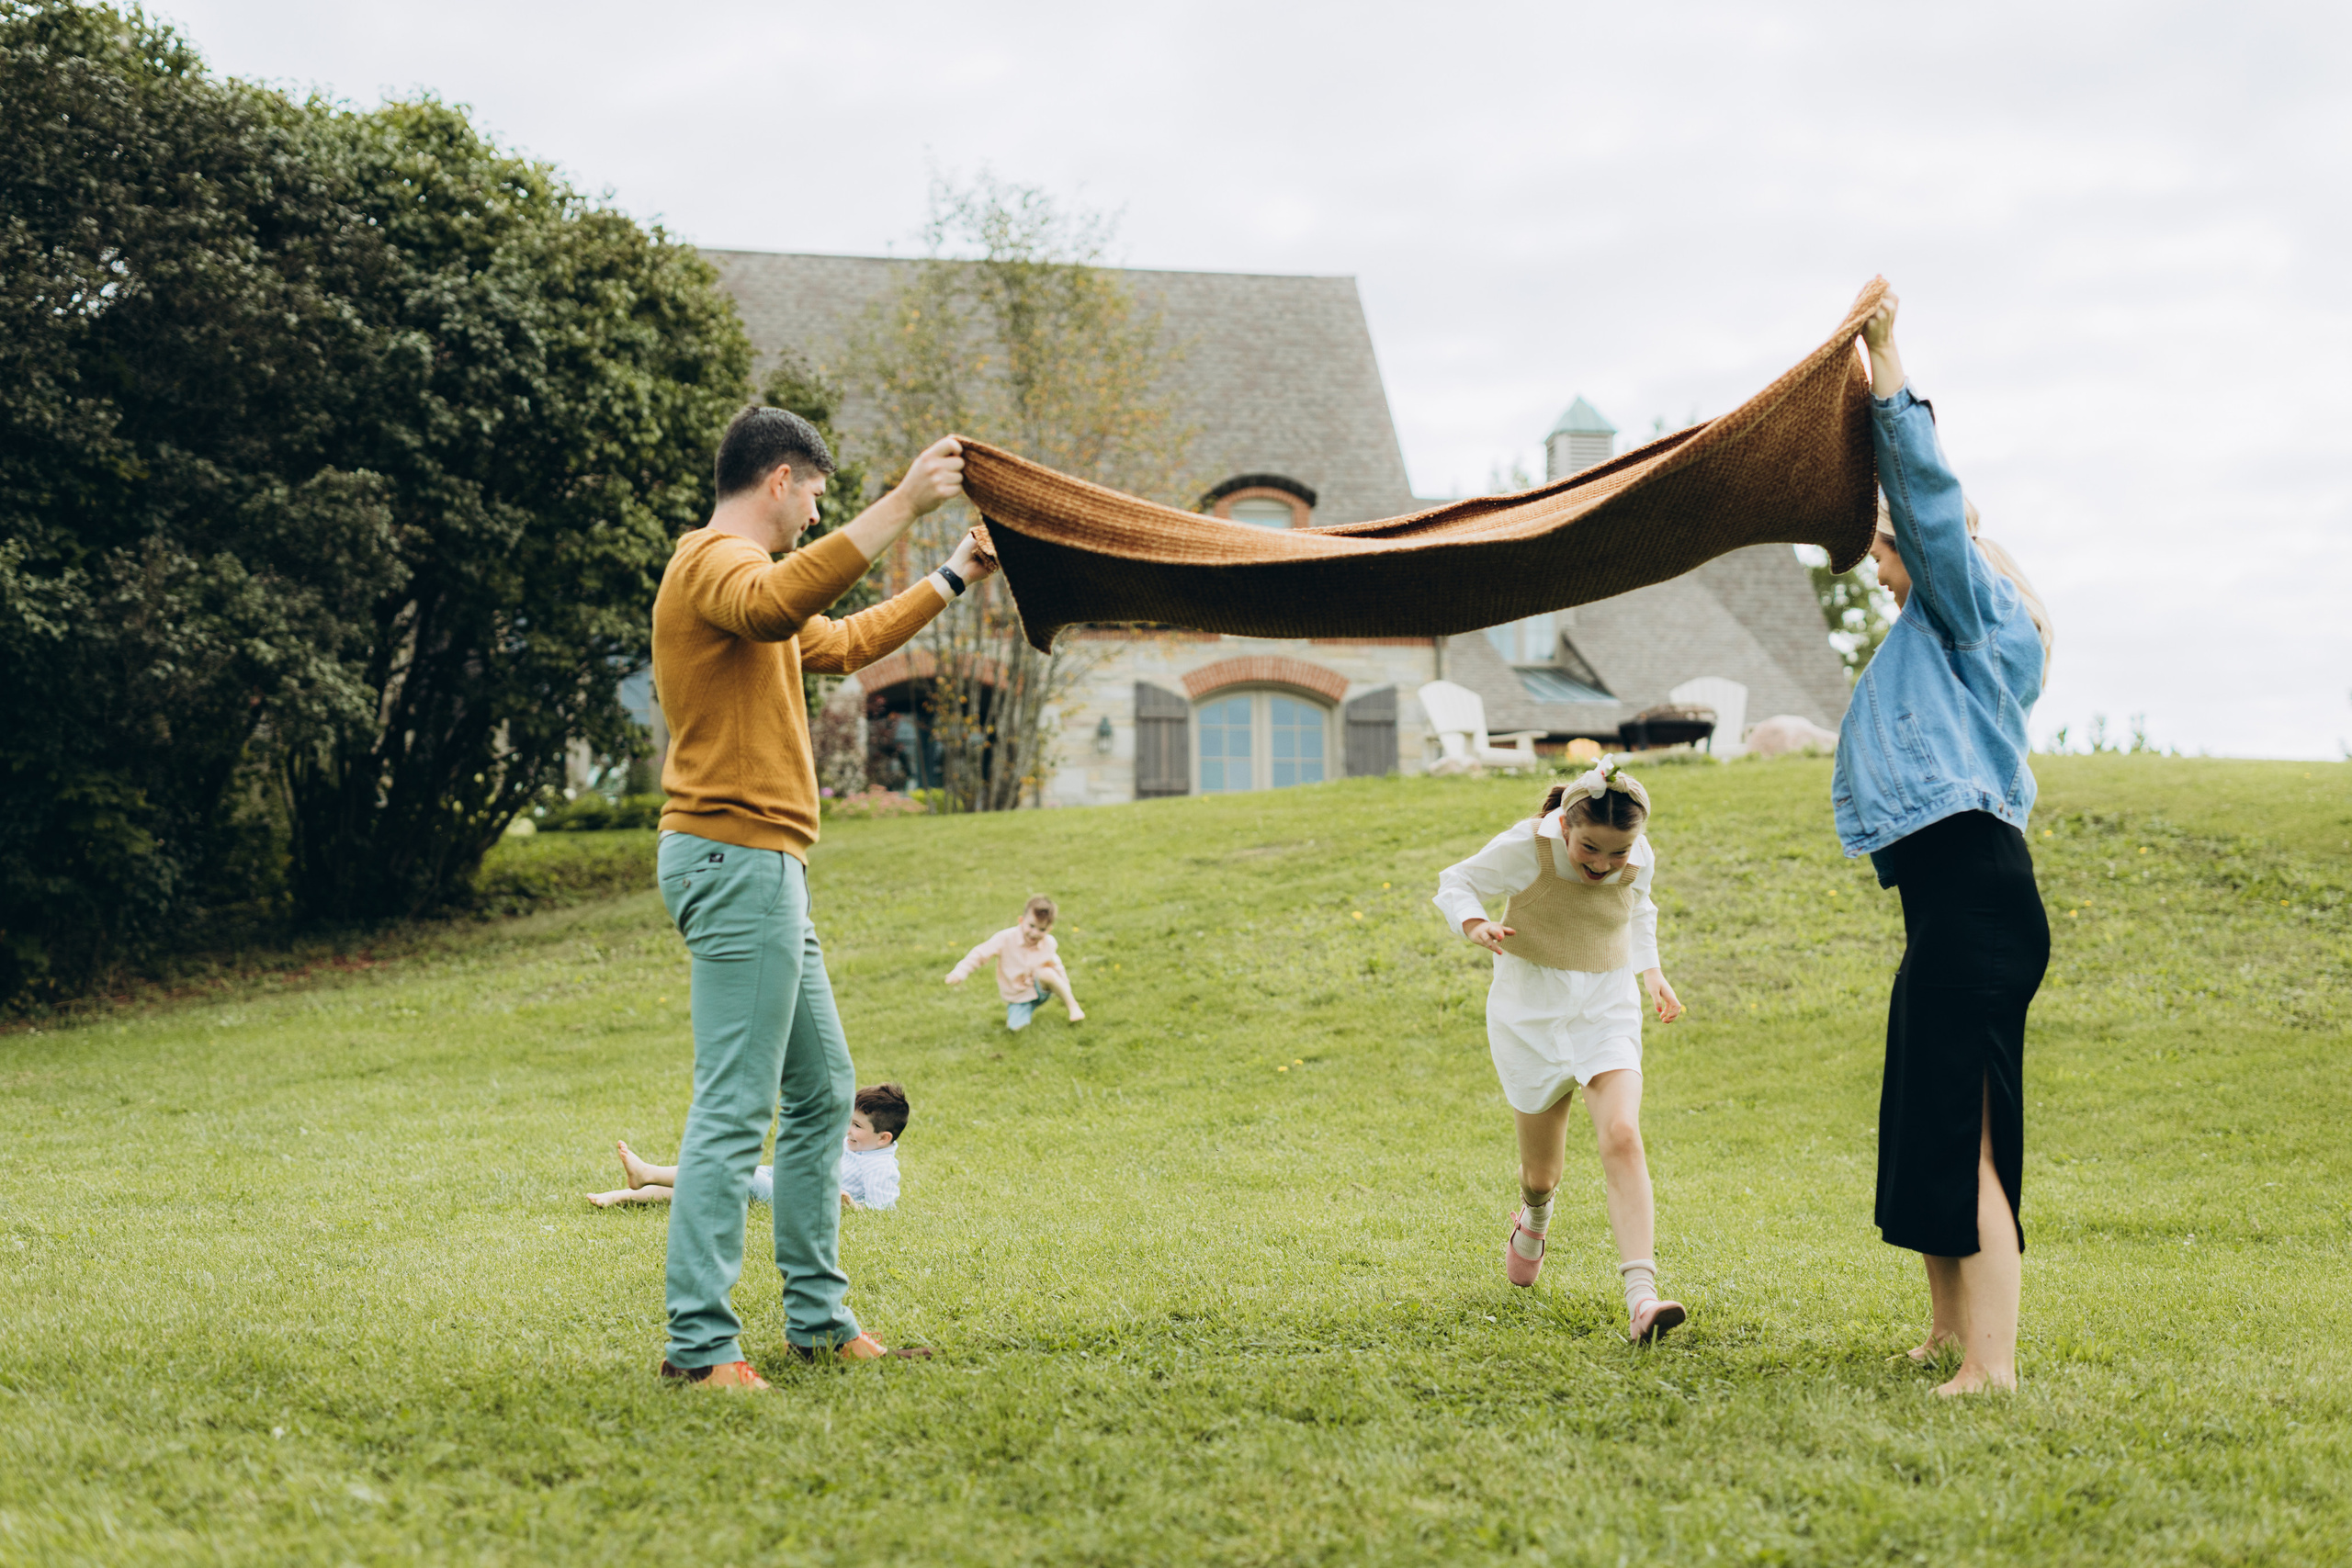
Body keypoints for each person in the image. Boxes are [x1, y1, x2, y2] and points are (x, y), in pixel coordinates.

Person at [650, 405, 993, 1389]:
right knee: (734, 1108)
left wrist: (953, 575)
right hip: (734, 858)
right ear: (779, 480)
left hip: (767, 868)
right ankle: (700, 1346)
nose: (813, 516)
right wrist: (900, 502)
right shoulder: (712, 565)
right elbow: (773, 604)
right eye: (814, 498)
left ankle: (815, 1318)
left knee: (818, 1093)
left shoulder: (749, 588)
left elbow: (835, 640)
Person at [1837, 288, 2055, 1397]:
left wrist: (1886, 362)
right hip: (1947, 900)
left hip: (1974, 894)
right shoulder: (1938, 636)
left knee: (1969, 1136)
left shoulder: (1968, 611)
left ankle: (1994, 1365)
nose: (1875, 568)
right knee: (1924, 1118)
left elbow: (1925, 498)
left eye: (1881, 550)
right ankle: (1943, 1331)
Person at [1433, 758, 1690, 1343]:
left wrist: (1652, 974)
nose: (1604, 864)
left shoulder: (1637, 855)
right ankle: (1536, 1214)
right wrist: (1474, 924)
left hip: (1606, 1008)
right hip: (1530, 1014)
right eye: (1591, 849)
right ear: (1565, 826)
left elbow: (1639, 909)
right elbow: (1457, 882)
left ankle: (1641, 1298)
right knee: (1541, 1173)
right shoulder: (1526, 847)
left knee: (1623, 1133)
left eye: (1618, 853)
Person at [588, 1084, 910, 1213]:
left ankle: (647, 1174)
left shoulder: (880, 1167)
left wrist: (853, 1207)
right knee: (709, 1186)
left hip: (794, 1200)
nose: (847, 1130)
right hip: (782, 1178)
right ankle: (626, 1195)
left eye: (856, 1126)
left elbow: (885, 1209)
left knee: (730, 1172)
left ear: (883, 1138)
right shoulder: (857, 1146)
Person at [945, 895, 1085, 1029]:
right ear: (1021, 921)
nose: (1035, 933)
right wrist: (960, 972)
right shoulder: (1005, 938)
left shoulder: (1049, 943)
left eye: (1042, 929)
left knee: (1048, 973)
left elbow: (1057, 966)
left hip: (1041, 987)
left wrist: (1066, 990)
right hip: (1018, 996)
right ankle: (1023, 1013)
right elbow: (980, 954)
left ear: (1049, 929)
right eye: (1031, 926)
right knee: (1016, 1029)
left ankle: (1073, 1007)